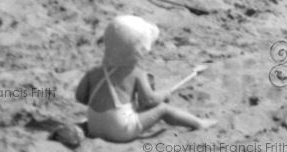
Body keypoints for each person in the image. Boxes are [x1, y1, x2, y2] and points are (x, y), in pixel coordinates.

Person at [75, 15, 217, 143]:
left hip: (94, 126)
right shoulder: (136, 73)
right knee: (164, 110)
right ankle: (199, 123)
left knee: (133, 108)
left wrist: (104, 102)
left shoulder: (93, 72)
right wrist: (164, 94)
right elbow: (149, 100)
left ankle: (82, 128)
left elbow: (80, 97)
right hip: (120, 130)